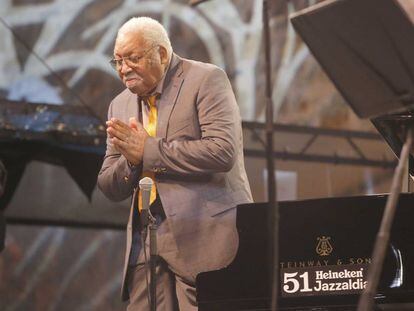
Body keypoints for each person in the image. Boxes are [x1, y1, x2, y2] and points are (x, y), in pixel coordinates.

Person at [97, 16, 252, 310]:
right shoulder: (120, 104)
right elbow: (108, 183)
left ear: (162, 54)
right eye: (117, 61)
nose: (124, 68)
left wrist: (149, 152)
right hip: (147, 240)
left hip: (204, 233)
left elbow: (222, 151)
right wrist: (132, 162)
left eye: (133, 58)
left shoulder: (206, 79)